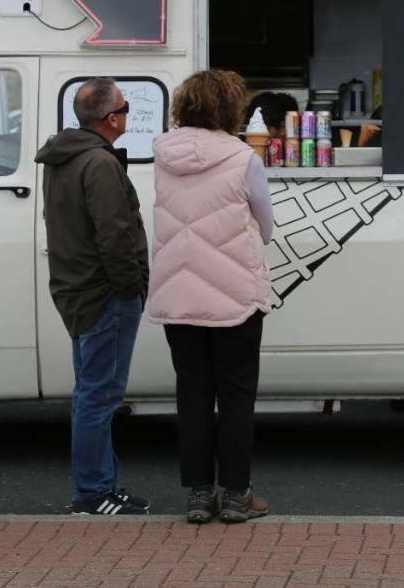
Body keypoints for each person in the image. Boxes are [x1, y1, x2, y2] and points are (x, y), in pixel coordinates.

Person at [148, 70, 275, 524]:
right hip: (234, 295)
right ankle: (237, 496)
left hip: (178, 294)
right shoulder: (244, 158)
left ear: (185, 106)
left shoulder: (163, 156)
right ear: (229, 107)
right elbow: (266, 223)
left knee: (193, 394)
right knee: (236, 395)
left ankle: (200, 496)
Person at [35, 78, 152, 516]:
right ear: (111, 117)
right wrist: (131, 287)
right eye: (124, 106)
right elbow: (115, 235)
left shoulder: (62, 158)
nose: (127, 113)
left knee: (90, 393)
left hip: (77, 290)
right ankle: (94, 492)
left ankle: (101, 487)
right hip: (105, 296)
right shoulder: (99, 165)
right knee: (100, 397)